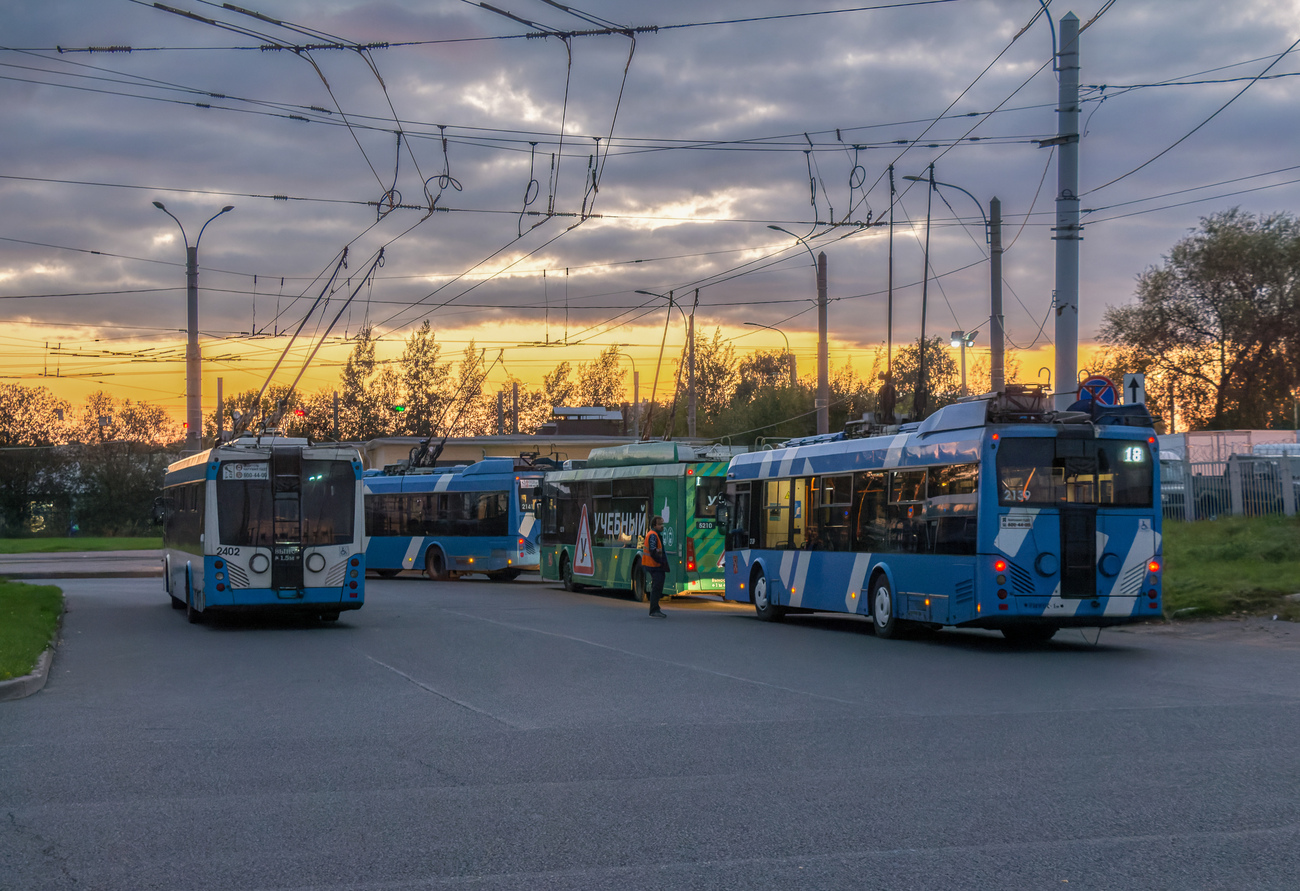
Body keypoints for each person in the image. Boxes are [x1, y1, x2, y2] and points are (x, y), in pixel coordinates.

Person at [643, 515, 668, 618]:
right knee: (656, 587)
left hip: (655, 565)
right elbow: (653, 551)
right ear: (654, 525)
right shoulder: (653, 535)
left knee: (657, 587)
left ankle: (655, 608)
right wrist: (660, 562)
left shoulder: (655, 534)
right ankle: (654, 610)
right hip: (654, 565)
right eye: (660, 524)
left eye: (662, 524)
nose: (662, 526)